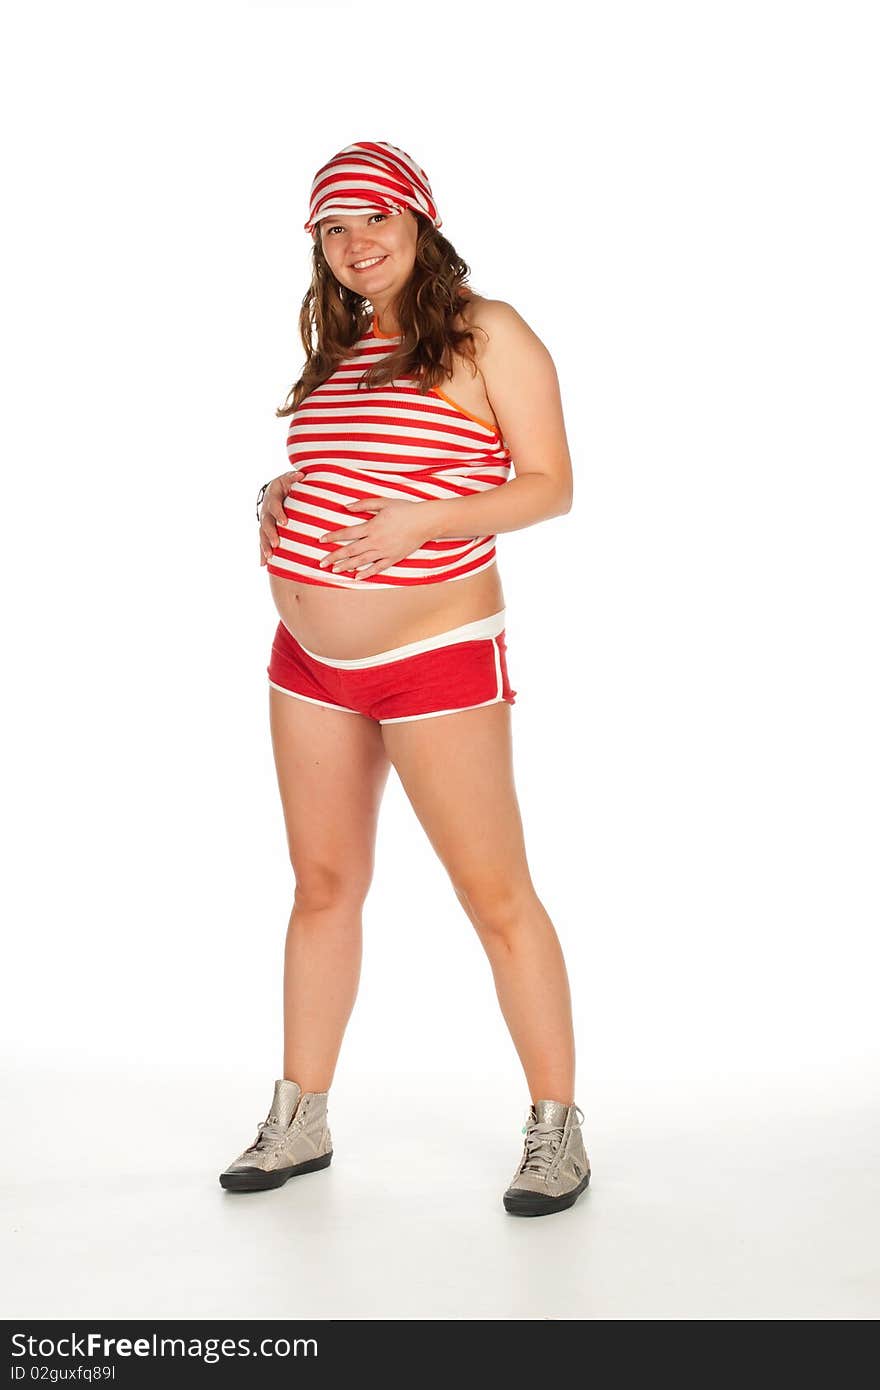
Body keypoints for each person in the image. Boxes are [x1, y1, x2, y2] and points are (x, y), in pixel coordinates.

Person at [218, 141, 590, 1217]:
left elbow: (550, 485)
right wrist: (281, 494)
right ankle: (300, 1115)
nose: (355, 244)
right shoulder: (341, 346)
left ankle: (555, 1128)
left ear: (421, 221)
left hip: (433, 656)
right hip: (307, 664)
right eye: (334, 230)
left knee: (494, 895)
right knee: (322, 886)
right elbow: (346, 466)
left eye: (374, 219)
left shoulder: (489, 331)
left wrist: (426, 520)